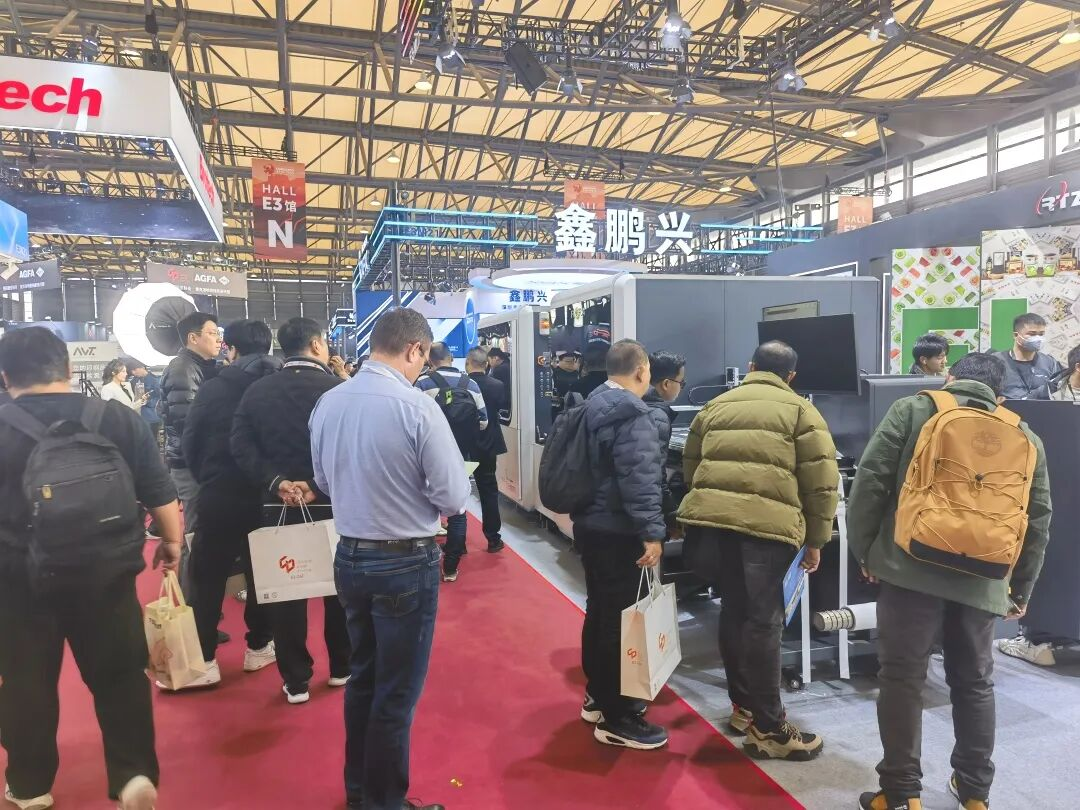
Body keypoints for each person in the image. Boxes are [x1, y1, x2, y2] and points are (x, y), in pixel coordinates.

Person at [848, 352, 1052, 810]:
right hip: (984, 577)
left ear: (950, 378)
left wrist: (866, 552)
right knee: (975, 683)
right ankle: (975, 793)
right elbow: (1038, 518)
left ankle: (901, 793)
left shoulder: (913, 409)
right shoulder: (1025, 435)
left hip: (909, 567)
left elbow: (871, 482)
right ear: (999, 395)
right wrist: (1019, 588)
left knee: (902, 679)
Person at [0, 326, 183, 810]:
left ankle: (30, 784)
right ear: (66, 368)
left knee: (25, 681)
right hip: (107, 574)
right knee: (120, 677)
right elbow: (160, 492)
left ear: (5, 377)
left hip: (18, 581)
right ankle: (133, 773)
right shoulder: (116, 418)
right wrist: (171, 543)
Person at [309, 307, 468, 810]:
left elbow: (323, 482)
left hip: (350, 555)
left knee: (363, 678)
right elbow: (453, 497)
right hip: (405, 562)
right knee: (396, 693)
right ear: (416, 349)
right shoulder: (417, 407)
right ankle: (384, 803)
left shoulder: (329, 402)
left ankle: (361, 792)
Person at [679, 340, 838, 761]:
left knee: (733, 611)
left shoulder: (715, 406)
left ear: (750, 366)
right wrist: (817, 540)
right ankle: (770, 729)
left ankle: (744, 709)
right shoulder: (802, 411)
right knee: (765, 624)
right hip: (767, 533)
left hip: (714, 528)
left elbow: (690, 467)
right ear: (791, 376)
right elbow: (822, 485)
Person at [231, 317, 350, 704]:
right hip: (332, 504)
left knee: (286, 591)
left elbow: (240, 446)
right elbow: (352, 449)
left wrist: (276, 481)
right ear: (316, 345)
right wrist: (315, 484)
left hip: (277, 504)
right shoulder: (339, 391)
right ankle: (342, 667)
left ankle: (296, 681)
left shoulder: (257, 392)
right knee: (339, 590)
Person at [166, 320, 281, 691]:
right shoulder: (278, 385)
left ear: (232, 348)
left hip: (220, 494)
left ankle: (204, 659)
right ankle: (259, 646)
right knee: (264, 575)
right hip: (267, 495)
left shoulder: (214, 386)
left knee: (208, 575)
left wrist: (210, 478)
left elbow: (191, 441)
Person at [571, 339, 669, 751]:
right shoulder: (633, 413)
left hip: (590, 525)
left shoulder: (590, 404)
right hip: (618, 531)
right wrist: (652, 532)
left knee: (599, 612)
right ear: (642, 371)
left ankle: (598, 697)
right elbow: (641, 478)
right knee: (619, 621)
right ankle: (617, 717)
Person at [415, 342, 488, 582]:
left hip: (429, 455)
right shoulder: (471, 384)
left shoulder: (423, 383)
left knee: (424, 504)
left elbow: (412, 420)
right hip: (462, 454)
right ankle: (451, 567)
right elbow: (484, 421)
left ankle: (426, 560)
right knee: (458, 509)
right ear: (450, 357)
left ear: (430, 360)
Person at [159, 311, 220, 590]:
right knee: (196, 533)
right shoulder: (183, 369)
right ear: (193, 338)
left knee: (203, 530)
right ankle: (192, 600)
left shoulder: (200, 367)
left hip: (198, 462)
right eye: (212, 333)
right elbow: (189, 425)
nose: (218, 339)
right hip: (191, 465)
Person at [466, 346, 507, 553]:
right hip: (489, 444)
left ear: (468, 363)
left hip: (465, 446)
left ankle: (458, 541)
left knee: (459, 491)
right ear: (486, 363)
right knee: (489, 491)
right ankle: (493, 538)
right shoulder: (497, 385)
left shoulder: (462, 385)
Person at [643, 350, 687, 534]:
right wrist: (670, 514)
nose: (681, 388)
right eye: (681, 383)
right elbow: (654, 474)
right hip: (644, 515)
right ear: (667, 384)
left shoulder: (632, 402)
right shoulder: (658, 416)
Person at [994, 312, 1064, 400]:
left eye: (1041, 334)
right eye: (1032, 334)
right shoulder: (996, 361)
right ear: (1015, 335)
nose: (1038, 339)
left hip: (1042, 408)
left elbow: (1058, 392)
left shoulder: (1050, 363)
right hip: (1006, 408)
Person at [127, 360, 163, 445]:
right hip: (137, 415)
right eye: (132, 371)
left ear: (142, 368)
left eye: (135, 370)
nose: (133, 373)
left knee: (151, 442)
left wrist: (148, 401)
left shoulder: (155, 380)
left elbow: (160, 397)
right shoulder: (133, 381)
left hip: (151, 416)